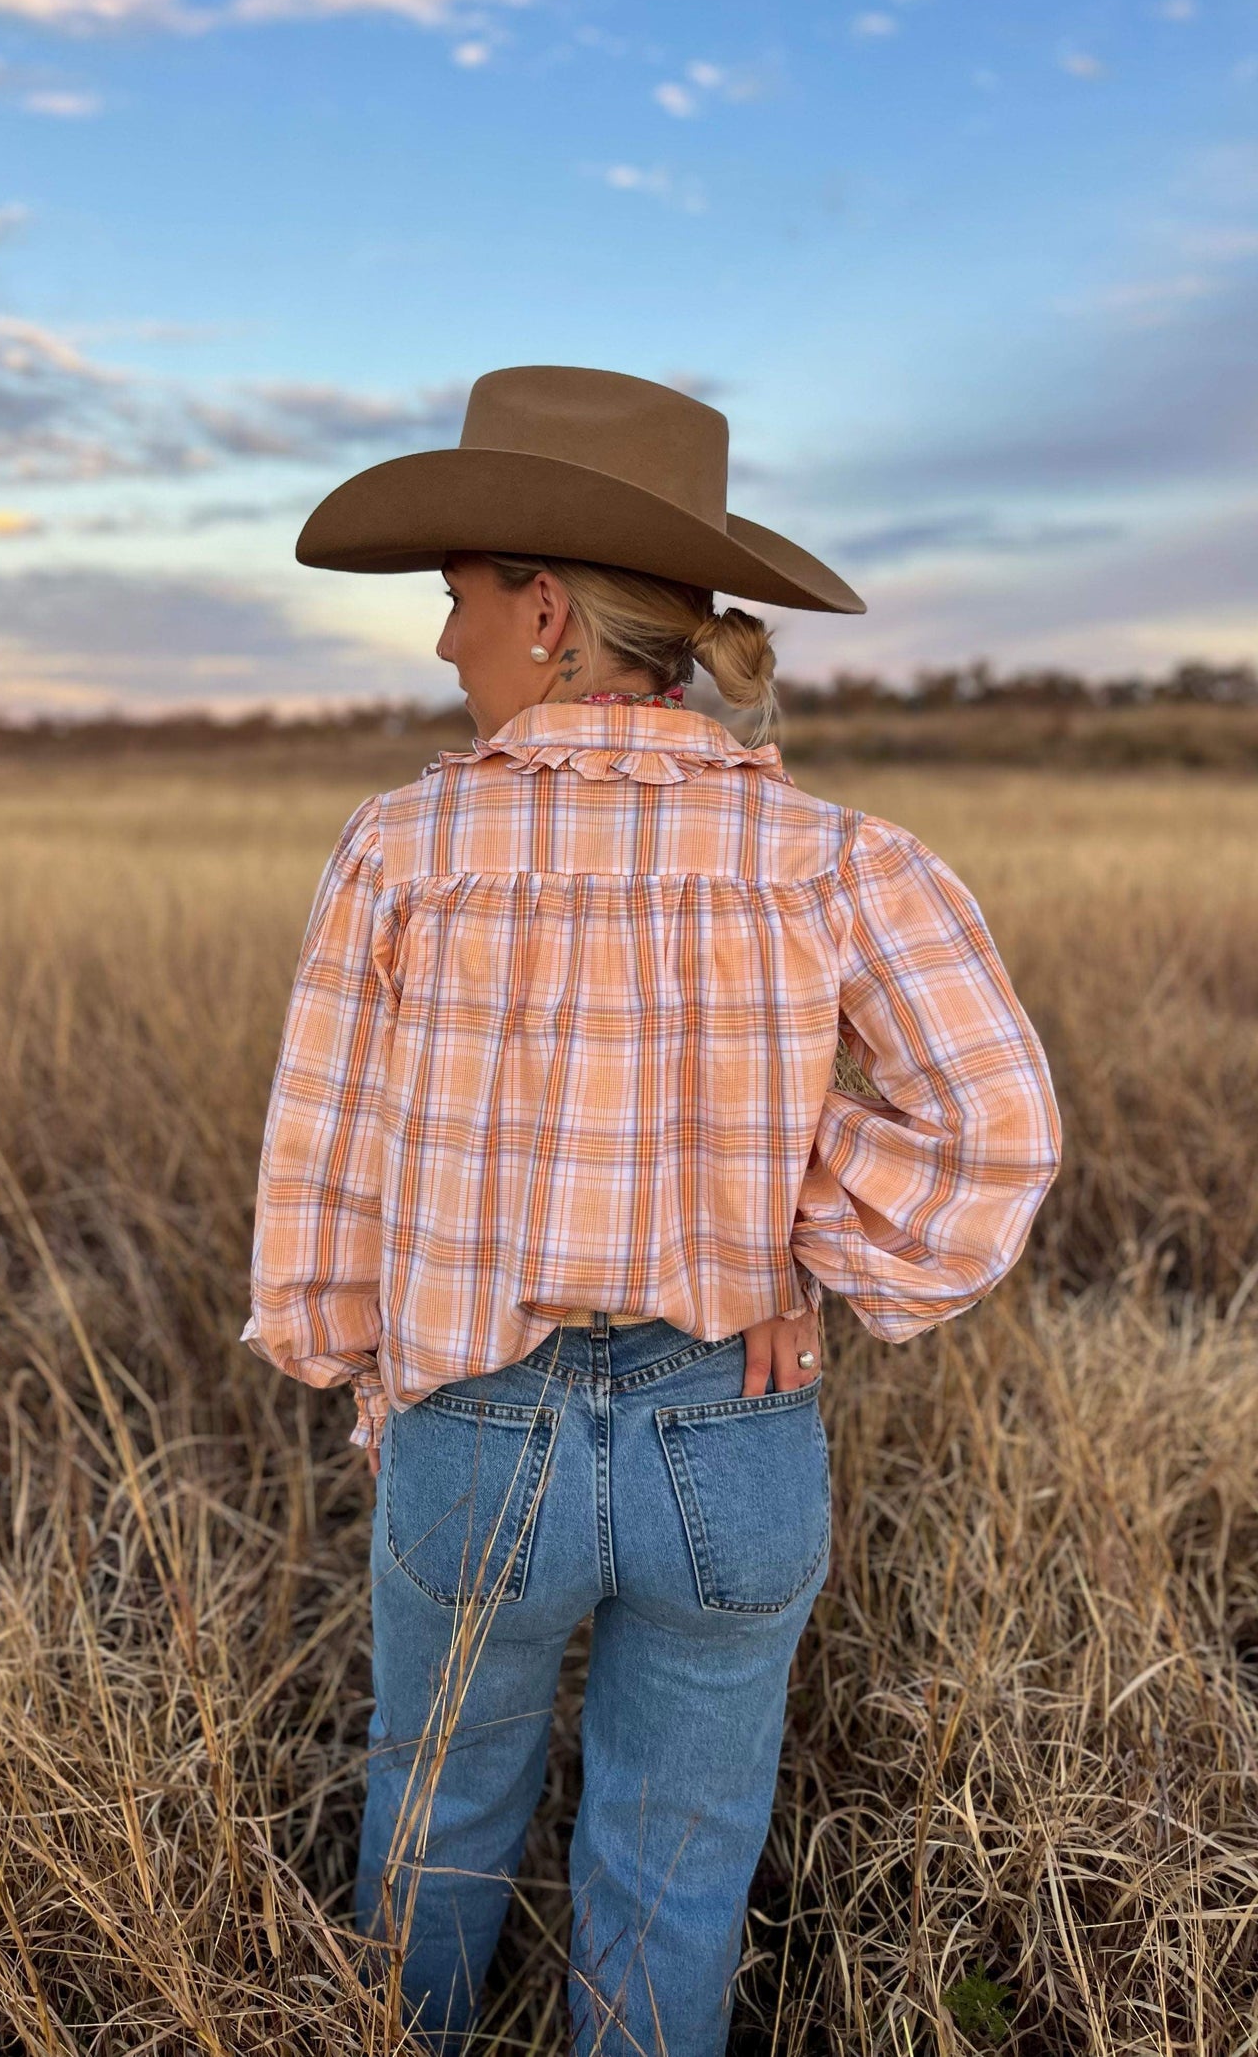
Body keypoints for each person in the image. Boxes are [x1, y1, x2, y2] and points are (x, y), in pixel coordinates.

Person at [241, 366, 1062, 2056]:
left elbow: (324, 1161)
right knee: (677, 1877)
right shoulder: (843, 856)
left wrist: (357, 1369)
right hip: (734, 1435)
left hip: (474, 1428)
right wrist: (776, 1222)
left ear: (543, 611)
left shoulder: (402, 848)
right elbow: (997, 1136)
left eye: (458, 597)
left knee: (430, 1844)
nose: (442, 639)